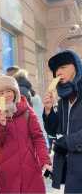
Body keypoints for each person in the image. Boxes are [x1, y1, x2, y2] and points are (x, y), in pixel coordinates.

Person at [0, 74, 51, 194]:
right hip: (6, 171)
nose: (6, 95)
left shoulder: (27, 110)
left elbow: (38, 137)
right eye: (1, 93)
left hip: (30, 168)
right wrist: (1, 125)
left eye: (8, 91)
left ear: (15, 92)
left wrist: (45, 161)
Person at [42, 50, 82, 193]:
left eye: (63, 67)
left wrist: (66, 141)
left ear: (76, 67)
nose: (58, 72)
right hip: (69, 170)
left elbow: (64, 139)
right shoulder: (64, 100)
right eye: (56, 70)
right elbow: (54, 130)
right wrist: (48, 111)